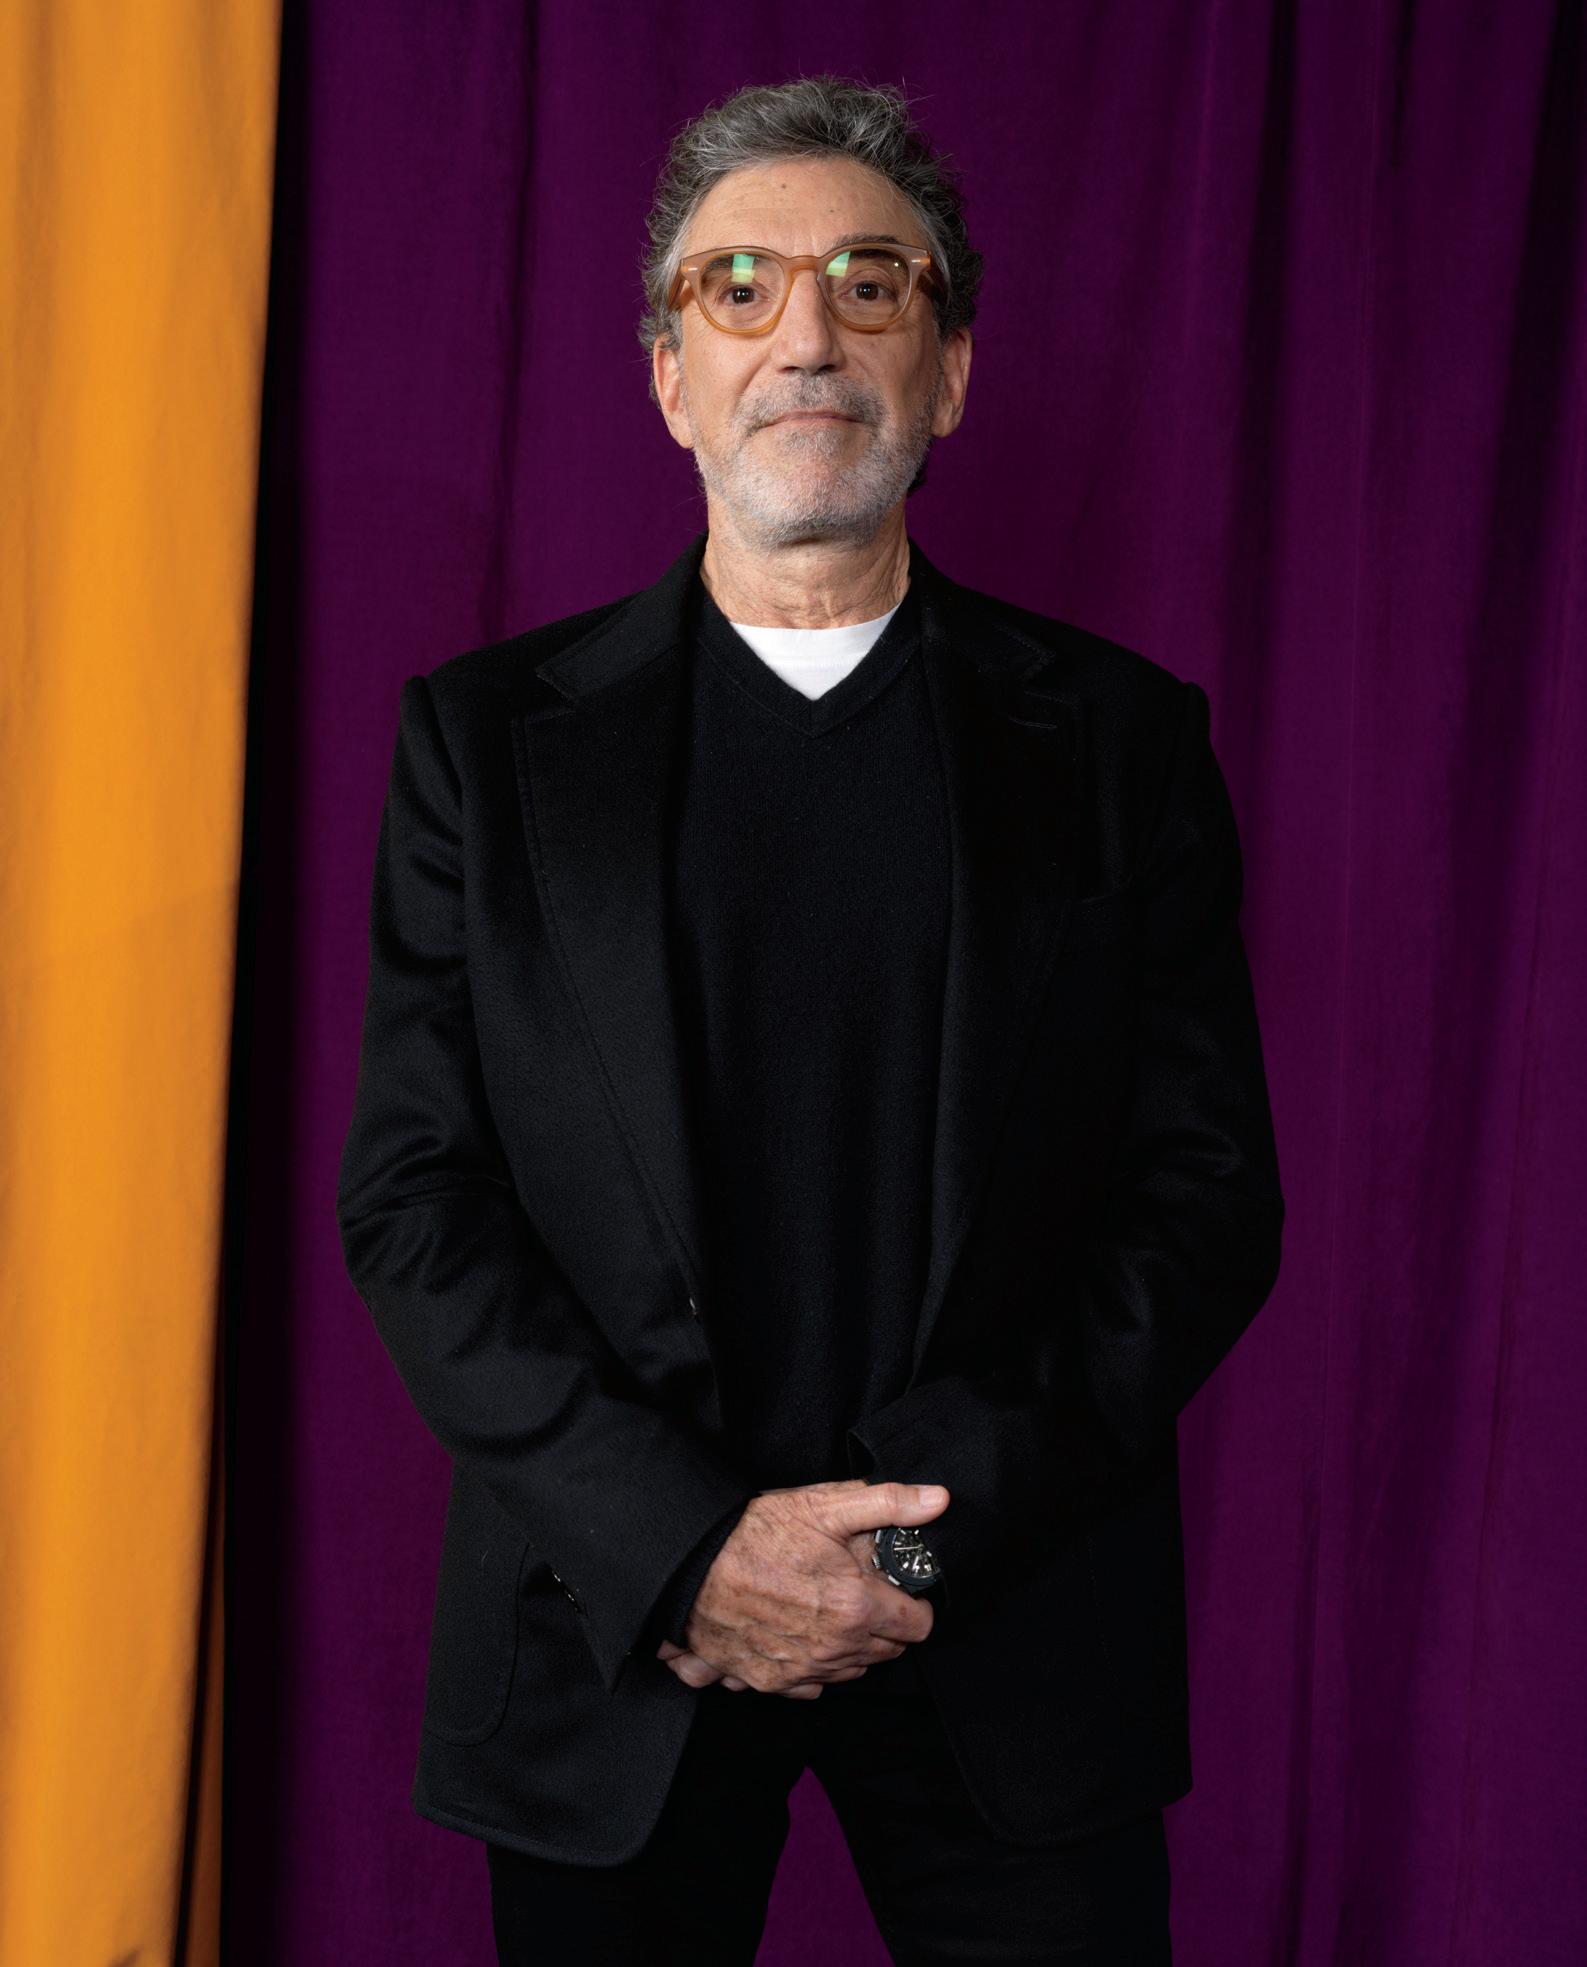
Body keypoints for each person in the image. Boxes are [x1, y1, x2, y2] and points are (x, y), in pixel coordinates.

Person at [336, 72, 1284, 1967]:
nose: (808, 337)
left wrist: (914, 1538)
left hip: (1005, 1616)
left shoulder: (1119, 746)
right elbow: (416, 1203)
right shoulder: (483, 747)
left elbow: (1202, 1203)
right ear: (671, 377)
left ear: (951, 370)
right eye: (740, 288)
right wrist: (695, 1551)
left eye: (872, 282)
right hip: (624, 1624)